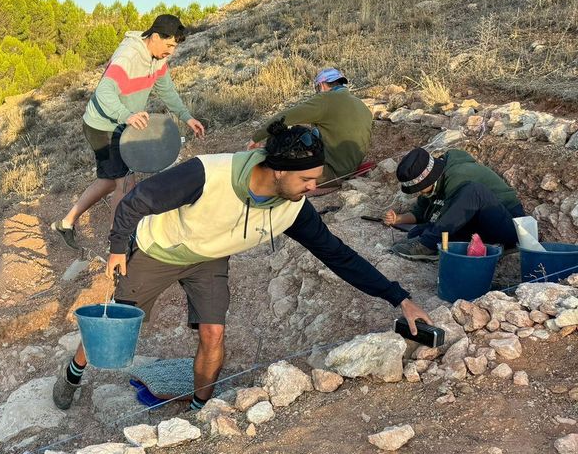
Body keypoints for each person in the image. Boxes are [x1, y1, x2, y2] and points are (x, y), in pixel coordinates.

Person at [51, 120, 432, 411]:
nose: (313, 189)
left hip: (209, 258)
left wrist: (399, 298)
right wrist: (119, 248)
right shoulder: (209, 173)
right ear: (280, 170)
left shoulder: (293, 208)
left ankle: (203, 411)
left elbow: (339, 255)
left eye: (316, 180)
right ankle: (74, 372)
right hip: (159, 249)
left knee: (214, 335)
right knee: (115, 324)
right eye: (307, 179)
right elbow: (139, 199)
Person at [51, 14, 206, 250]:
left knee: (108, 181)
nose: (171, 51)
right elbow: (104, 92)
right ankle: (118, 243)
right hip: (102, 126)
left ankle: (66, 222)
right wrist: (127, 115)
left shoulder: (157, 60)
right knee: (125, 183)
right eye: (169, 45)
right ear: (155, 36)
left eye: (174, 46)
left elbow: (166, 91)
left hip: (122, 125)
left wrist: (187, 117)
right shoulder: (129, 56)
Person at [385, 147, 524, 261]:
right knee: (420, 230)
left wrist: (429, 234)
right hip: (479, 224)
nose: (420, 192)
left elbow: (450, 218)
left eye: (420, 188)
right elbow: (421, 212)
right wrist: (398, 219)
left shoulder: (458, 176)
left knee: (474, 191)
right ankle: (434, 243)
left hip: (510, 227)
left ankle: (428, 245)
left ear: (429, 180)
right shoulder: (435, 182)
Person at [247, 67, 373, 188]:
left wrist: (256, 137)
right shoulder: (359, 103)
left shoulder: (324, 99)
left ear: (322, 85)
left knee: (279, 157)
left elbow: (285, 117)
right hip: (352, 167)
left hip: (330, 173)